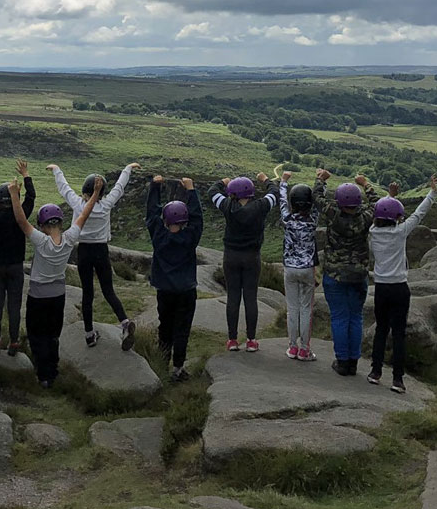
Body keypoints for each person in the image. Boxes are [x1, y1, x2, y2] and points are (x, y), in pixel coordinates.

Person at [11, 179, 98, 388]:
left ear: (42, 225)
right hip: (58, 295)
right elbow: (84, 214)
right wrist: (95, 193)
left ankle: (43, 376)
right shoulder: (69, 239)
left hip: (38, 297)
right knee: (52, 335)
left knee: (37, 335)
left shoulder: (41, 241)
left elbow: (22, 222)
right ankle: (53, 370)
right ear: (60, 222)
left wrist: (14, 195)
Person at [49, 162, 138, 350]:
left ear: (84, 192)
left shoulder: (78, 204)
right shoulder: (106, 204)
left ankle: (89, 335)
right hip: (101, 251)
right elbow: (119, 187)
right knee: (108, 291)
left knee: (87, 293)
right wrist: (127, 169)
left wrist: (57, 170)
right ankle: (124, 323)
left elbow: (64, 188)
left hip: (84, 252)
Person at [367, 175, 437, 393]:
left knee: (381, 329)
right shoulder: (400, 232)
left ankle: (375, 372)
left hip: (380, 288)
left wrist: (390, 197)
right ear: (397, 218)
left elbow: (382, 212)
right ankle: (398, 380)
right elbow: (419, 214)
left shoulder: (372, 233)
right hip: (399, 288)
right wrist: (432, 193)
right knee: (399, 334)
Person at [145, 174, 203, 381]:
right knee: (182, 330)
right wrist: (191, 189)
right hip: (186, 290)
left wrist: (155, 187)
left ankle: (161, 365)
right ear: (184, 220)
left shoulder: (158, 235)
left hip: (165, 290)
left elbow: (151, 214)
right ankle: (178, 369)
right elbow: (198, 218)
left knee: (165, 327)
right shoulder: (191, 237)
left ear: (165, 220)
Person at [317, 171, 375, 377]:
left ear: (339, 202)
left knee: (340, 318)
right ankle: (353, 362)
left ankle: (342, 362)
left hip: (335, 276)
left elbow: (317, 198)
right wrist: (365, 184)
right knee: (356, 317)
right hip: (359, 276)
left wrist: (321, 179)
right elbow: (377, 203)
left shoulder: (333, 213)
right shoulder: (366, 217)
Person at [210, 174, 277, 351]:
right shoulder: (261, 206)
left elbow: (212, 192)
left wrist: (222, 182)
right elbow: (274, 192)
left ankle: (232, 340)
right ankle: (251, 340)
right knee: (250, 298)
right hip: (252, 257)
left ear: (232, 193)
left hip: (231, 257)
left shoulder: (227, 206)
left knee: (233, 297)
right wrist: (265, 179)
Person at [0, 159, 34, 356]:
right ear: (14, 198)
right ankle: (13, 342)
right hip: (16, 267)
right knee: (14, 306)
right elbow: (31, 198)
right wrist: (26, 175)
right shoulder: (20, 217)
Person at [278, 170, 321, 362]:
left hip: (289, 268)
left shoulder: (287, 219)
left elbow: (281, 201)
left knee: (292, 309)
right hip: (307, 269)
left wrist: (283, 182)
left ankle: (292, 347)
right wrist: (320, 180)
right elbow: (320, 200)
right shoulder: (313, 220)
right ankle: (305, 349)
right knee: (306, 309)